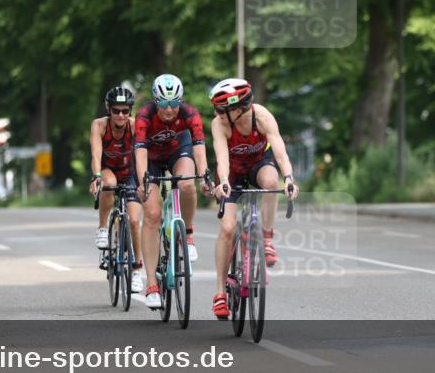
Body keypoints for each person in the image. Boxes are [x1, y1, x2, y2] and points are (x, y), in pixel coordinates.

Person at [209, 78, 297, 319]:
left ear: (236, 109)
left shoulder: (263, 117)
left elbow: (280, 150)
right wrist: (223, 181)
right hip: (232, 171)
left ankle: (266, 238)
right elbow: (222, 157)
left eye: (221, 110)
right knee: (228, 229)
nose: (217, 114)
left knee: (271, 181)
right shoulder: (220, 125)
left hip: (259, 164)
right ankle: (220, 293)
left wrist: (289, 178)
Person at [134, 74, 212, 309]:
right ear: (155, 100)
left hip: (179, 151)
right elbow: (139, 151)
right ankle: (151, 284)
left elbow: (199, 147)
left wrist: (204, 175)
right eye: (164, 103)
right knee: (152, 214)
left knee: (187, 183)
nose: (169, 109)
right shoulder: (144, 115)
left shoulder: (190, 114)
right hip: (151, 158)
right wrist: (143, 181)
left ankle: (187, 233)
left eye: (174, 103)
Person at [89, 86, 144, 294]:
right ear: (108, 110)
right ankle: (103, 228)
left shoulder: (135, 126)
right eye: (116, 110)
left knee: (134, 221)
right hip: (107, 170)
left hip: (130, 173)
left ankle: (137, 270)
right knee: (109, 183)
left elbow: (143, 154)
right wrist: (96, 176)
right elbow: (96, 154)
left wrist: (144, 181)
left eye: (125, 110)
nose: (121, 115)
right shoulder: (99, 125)